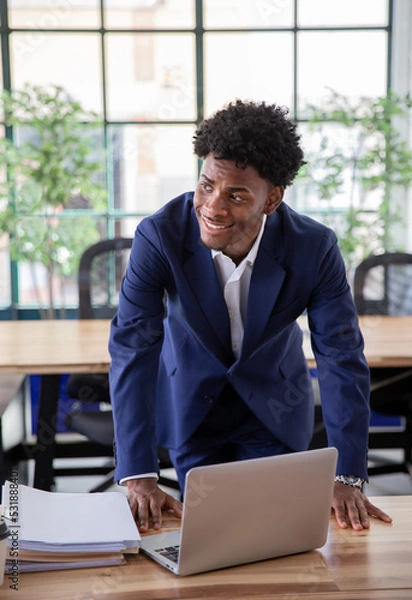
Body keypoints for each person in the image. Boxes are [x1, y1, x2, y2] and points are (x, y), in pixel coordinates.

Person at [109, 99, 392, 533]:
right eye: (206, 186)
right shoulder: (160, 235)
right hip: (192, 407)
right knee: (210, 537)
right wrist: (139, 473)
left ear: (272, 199)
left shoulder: (313, 248)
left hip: (275, 408)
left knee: (275, 537)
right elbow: (134, 347)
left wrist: (347, 474)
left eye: (236, 194)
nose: (213, 206)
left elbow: (340, 356)